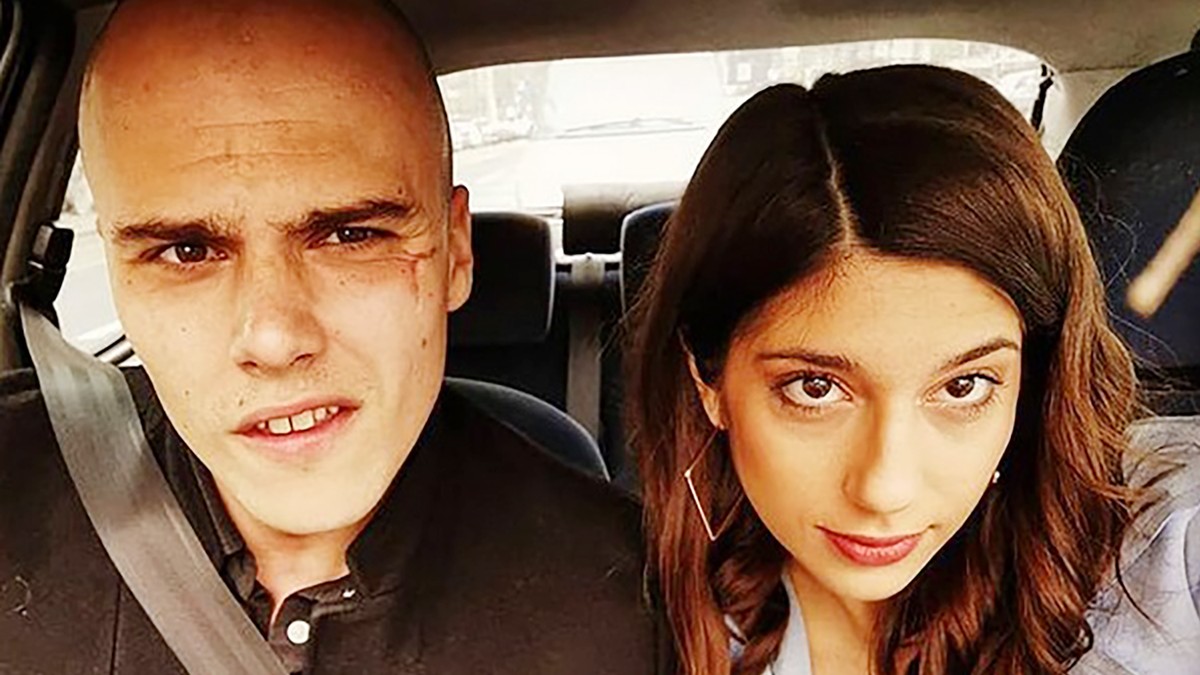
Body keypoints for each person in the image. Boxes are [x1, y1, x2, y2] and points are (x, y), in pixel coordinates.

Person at [0, 0, 671, 673]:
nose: (273, 339)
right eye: (187, 252)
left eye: (351, 236)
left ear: (456, 253)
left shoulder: (631, 608)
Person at [626, 65, 1199, 674]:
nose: (885, 490)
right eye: (815, 388)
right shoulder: (629, 625)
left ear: (1032, 379)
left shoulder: (1173, 543)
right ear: (708, 380)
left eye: (963, 386)